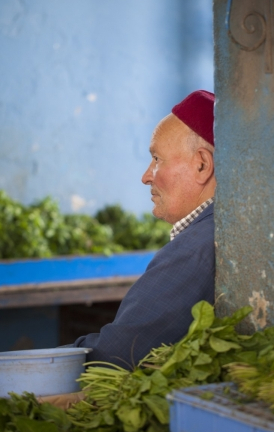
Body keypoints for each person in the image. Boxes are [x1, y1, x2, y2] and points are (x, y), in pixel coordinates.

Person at [74, 90, 216, 367]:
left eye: (157, 160)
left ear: (201, 165)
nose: (146, 176)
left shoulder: (196, 246)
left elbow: (116, 353)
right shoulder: (212, 233)